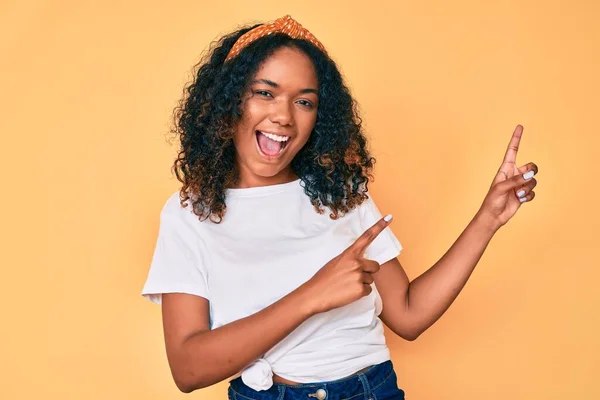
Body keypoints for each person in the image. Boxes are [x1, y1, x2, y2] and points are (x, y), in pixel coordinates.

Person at [141, 15, 539, 400]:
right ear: (229, 101)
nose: (283, 116)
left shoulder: (340, 194)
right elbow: (188, 370)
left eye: (305, 102)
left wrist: (489, 218)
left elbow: (409, 315)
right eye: (265, 92)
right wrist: (314, 294)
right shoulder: (189, 214)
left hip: (372, 391)